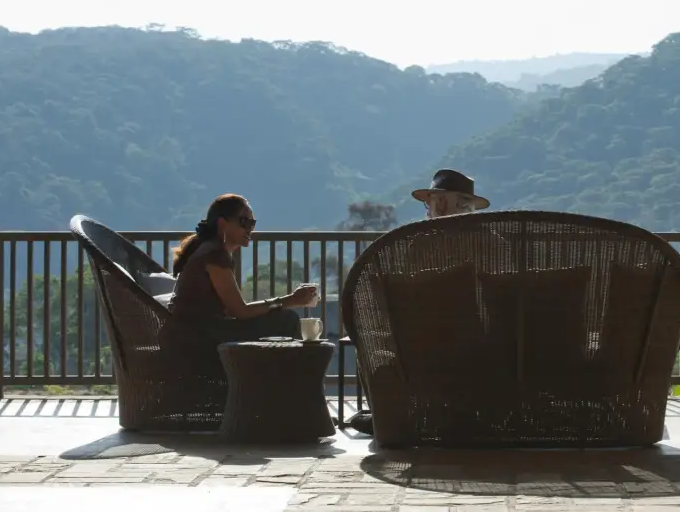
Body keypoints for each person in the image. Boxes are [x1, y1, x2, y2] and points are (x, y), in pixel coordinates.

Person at [345, 169, 490, 436]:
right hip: (485, 341)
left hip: (422, 342)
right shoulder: (493, 243)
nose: (429, 209)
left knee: (373, 342)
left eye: (431, 202)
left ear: (444, 204)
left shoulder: (417, 246)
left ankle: (388, 416)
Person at [168, 193, 317, 344]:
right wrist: (291, 299)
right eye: (244, 222)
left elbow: (235, 309)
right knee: (287, 320)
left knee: (280, 319)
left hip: (194, 333)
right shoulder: (215, 255)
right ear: (222, 224)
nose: (249, 229)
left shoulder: (207, 249)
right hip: (197, 337)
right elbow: (240, 311)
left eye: (252, 224)